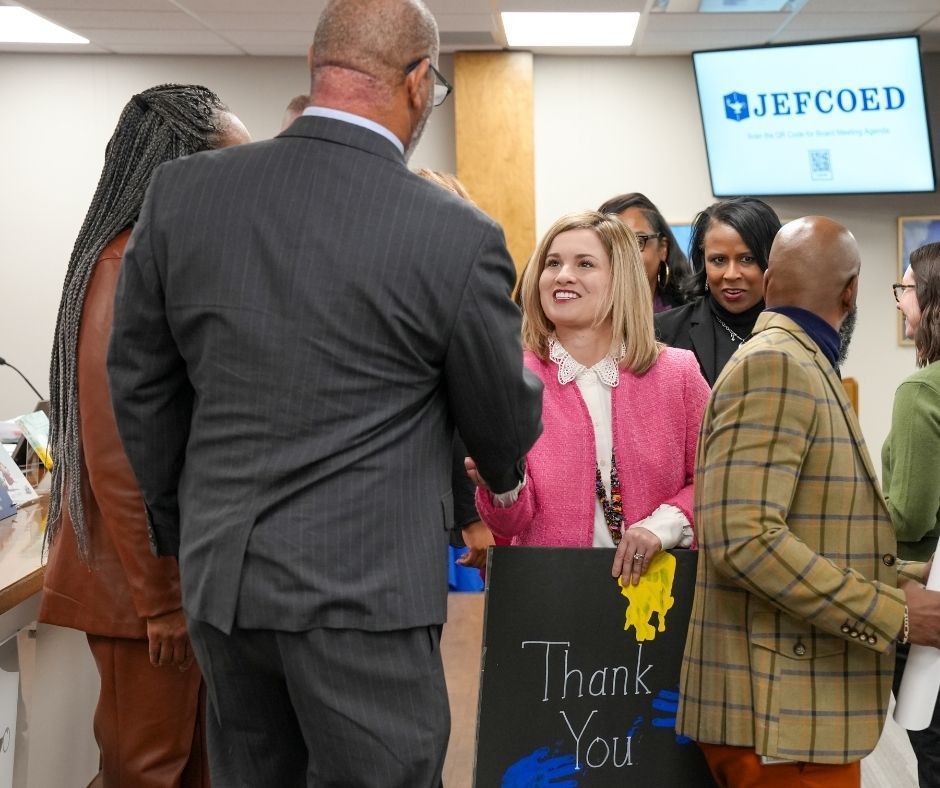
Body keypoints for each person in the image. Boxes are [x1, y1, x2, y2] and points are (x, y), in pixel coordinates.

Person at [106, 1, 543, 785]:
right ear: (417, 82)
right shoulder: (452, 233)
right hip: (366, 597)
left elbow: (139, 385)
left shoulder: (181, 195)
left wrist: (187, 529)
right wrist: (499, 470)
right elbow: (503, 423)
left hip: (225, 585)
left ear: (317, 61)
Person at [677, 216, 940, 788]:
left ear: (770, 281)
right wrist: (893, 615)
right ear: (850, 292)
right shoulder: (779, 364)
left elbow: (809, 528)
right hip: (775, 715)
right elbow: (744, 540)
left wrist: (904, 576)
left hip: (789, 711)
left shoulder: (797, 361)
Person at [41, 84, 250, 788]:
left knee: (198, 768)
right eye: (233, 166)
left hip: (183, 574)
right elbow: (121, 455)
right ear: (181, 171)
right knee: (148, 770)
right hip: (149, 586)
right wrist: (162, 598)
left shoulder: (172, 261)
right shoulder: (125, 264)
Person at [471, 211, 710, 585]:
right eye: (553, 263)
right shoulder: (510, 378)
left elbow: (715, 481)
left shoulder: (678, 373)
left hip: (658, 598)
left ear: (621, 280)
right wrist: (501, 484)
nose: (563, 275)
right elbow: (511, 523)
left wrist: (662, 527)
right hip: (550, 594)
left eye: (584, 264)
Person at [414, 167, 490, 583]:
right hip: (422, 516)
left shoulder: (460, 300)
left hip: (456, 515)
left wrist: (472, 516)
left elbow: (469, 420)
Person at [885, 241, 940, 787]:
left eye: (904, 289)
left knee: (934, 750)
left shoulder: (921, 390)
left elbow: (909, 517)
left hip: (927, 599)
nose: (899, 301)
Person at [654, 197, 781, 386]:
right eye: (719, 260)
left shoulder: (800, 332)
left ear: (772, 258)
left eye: (747, 259)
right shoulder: (662, 332)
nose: (731, 275)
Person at [598, 192, 691, 313]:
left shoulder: (690, 317)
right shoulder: (583, 318)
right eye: (612, 244)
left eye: (637, 241)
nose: (624, 255)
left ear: (663, 248)